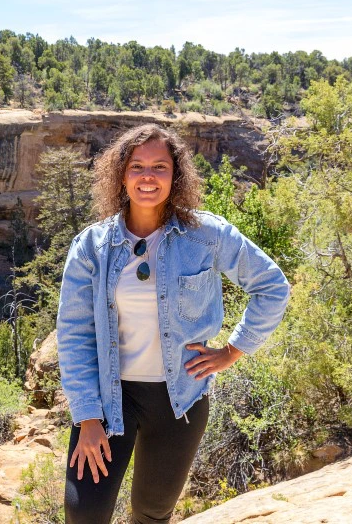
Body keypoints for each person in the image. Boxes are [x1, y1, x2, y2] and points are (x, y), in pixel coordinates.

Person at [56, 124, 290, 524]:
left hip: (179, 399)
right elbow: (74, 334)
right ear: (121, 174)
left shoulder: (206, 236)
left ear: (176, 175)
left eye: (160, 167)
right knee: (85, 513)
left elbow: (272, 286)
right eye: (137, 166)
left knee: (152, 512)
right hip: (110, 399)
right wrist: (87, 416)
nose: (148, 177)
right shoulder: (93, 246)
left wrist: (233, 350)